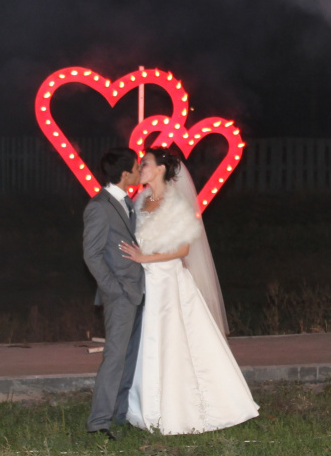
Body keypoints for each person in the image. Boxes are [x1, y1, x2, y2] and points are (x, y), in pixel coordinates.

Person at [119, 145, 260, 435]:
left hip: (169, 283)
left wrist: (145, 258)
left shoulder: (175, 202)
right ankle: (147, 408)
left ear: (159, 169)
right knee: (149, 344)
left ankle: (179, 410)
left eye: (144, 164)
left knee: (174, 345)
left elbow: (182, 248)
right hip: (148, 282)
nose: (140, 168)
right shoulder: (142, 198)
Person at [82, 147, 143, 437]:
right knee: (115, 357)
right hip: (120, 294)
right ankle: (98, 422)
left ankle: (119, 414)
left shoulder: (128, 203)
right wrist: (114, 290)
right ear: (125, 173)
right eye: (137, 166)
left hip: (138, 292)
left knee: (129, 356)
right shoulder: (99, 206)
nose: (140, 170)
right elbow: (91, 255)